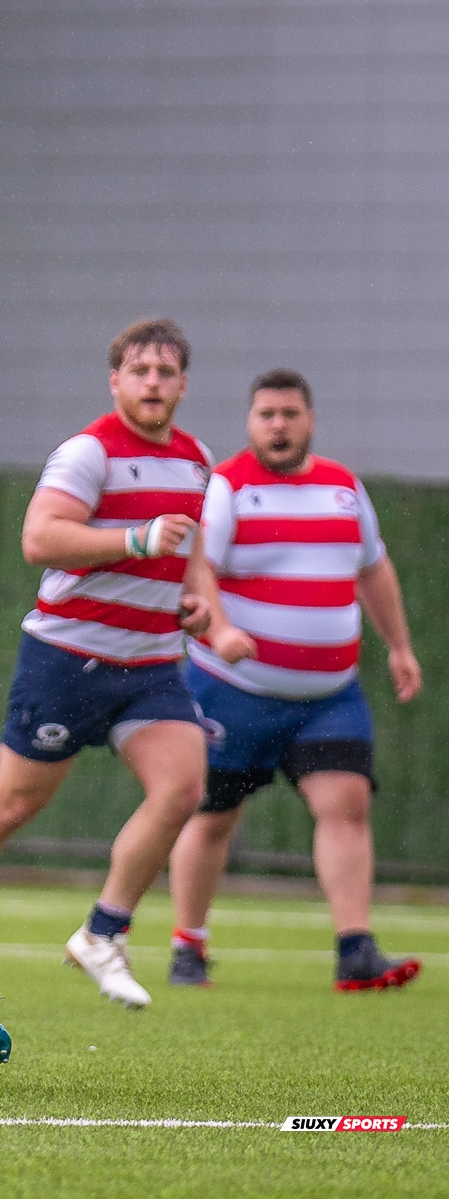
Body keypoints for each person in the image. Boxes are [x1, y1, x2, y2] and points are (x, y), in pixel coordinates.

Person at [0, 318, 256, 1010]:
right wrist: (135, 537)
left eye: (166, 371)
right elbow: (39, 538)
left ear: (183, 384)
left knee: (182, 788)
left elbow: (192, 555)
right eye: (139, 370)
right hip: (67, 657)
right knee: (12, 803)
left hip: (149, 662)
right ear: (115, 380)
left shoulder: (195, 458)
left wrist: (206, 611)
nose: (153, 382)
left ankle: (102, 933)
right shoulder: (89, 453)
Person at [166, 369, 422, 991]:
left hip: (328, 697)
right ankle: (188, 948)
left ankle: (355, 948)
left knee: (347, 807)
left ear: (309, 420)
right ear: (250, 423)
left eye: (290, 414)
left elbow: (374, 570)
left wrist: (400, 647)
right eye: (266, 415)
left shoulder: (343, 488)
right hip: (233, 691)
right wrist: (221, 633)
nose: (278, 425)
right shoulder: (226, 487)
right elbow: (195, 574)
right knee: (213, 814)